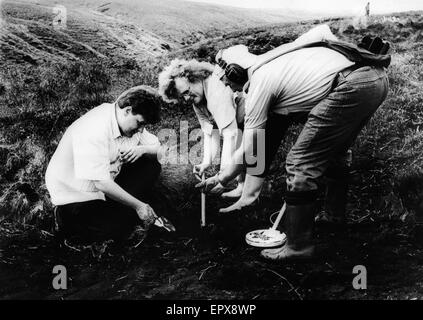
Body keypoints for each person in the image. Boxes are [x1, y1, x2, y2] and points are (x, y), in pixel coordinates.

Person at [196, 24, 390, 261]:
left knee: (300, 163)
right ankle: (333, 218)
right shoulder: (274, 67)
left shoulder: (260, 83)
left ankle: (299, 246)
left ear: (236, 72)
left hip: (352, 85)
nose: (225, 84)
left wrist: (223, 176)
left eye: (226, 78)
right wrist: (243, 189)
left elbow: (251, 147)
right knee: (335, 152)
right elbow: (265, 142)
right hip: (375, 79)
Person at [45, 85, 163, 243]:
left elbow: (162, 150)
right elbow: (101, 183)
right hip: (76, 196)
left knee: (151, 163)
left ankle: (120, 212)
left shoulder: (128, 122)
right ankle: (62, 218)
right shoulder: (95, 128)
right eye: (139, 123)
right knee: (111, 234)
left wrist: (143, 149)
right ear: (127, 110)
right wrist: (139, 206)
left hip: (107, 184)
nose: (141, 129)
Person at [158, 59, 246, 198]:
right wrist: (206, 162)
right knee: (242, 146)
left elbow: (231, 135)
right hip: (237, 123)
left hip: (250, 115)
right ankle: (242, 188)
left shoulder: (215, 90)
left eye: (187, 92)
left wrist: (222, 177)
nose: (187, 99)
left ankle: (249, 191)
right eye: (182, 97)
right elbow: (211, 133)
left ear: (196, 78)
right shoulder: (198, 101)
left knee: (250, 147)